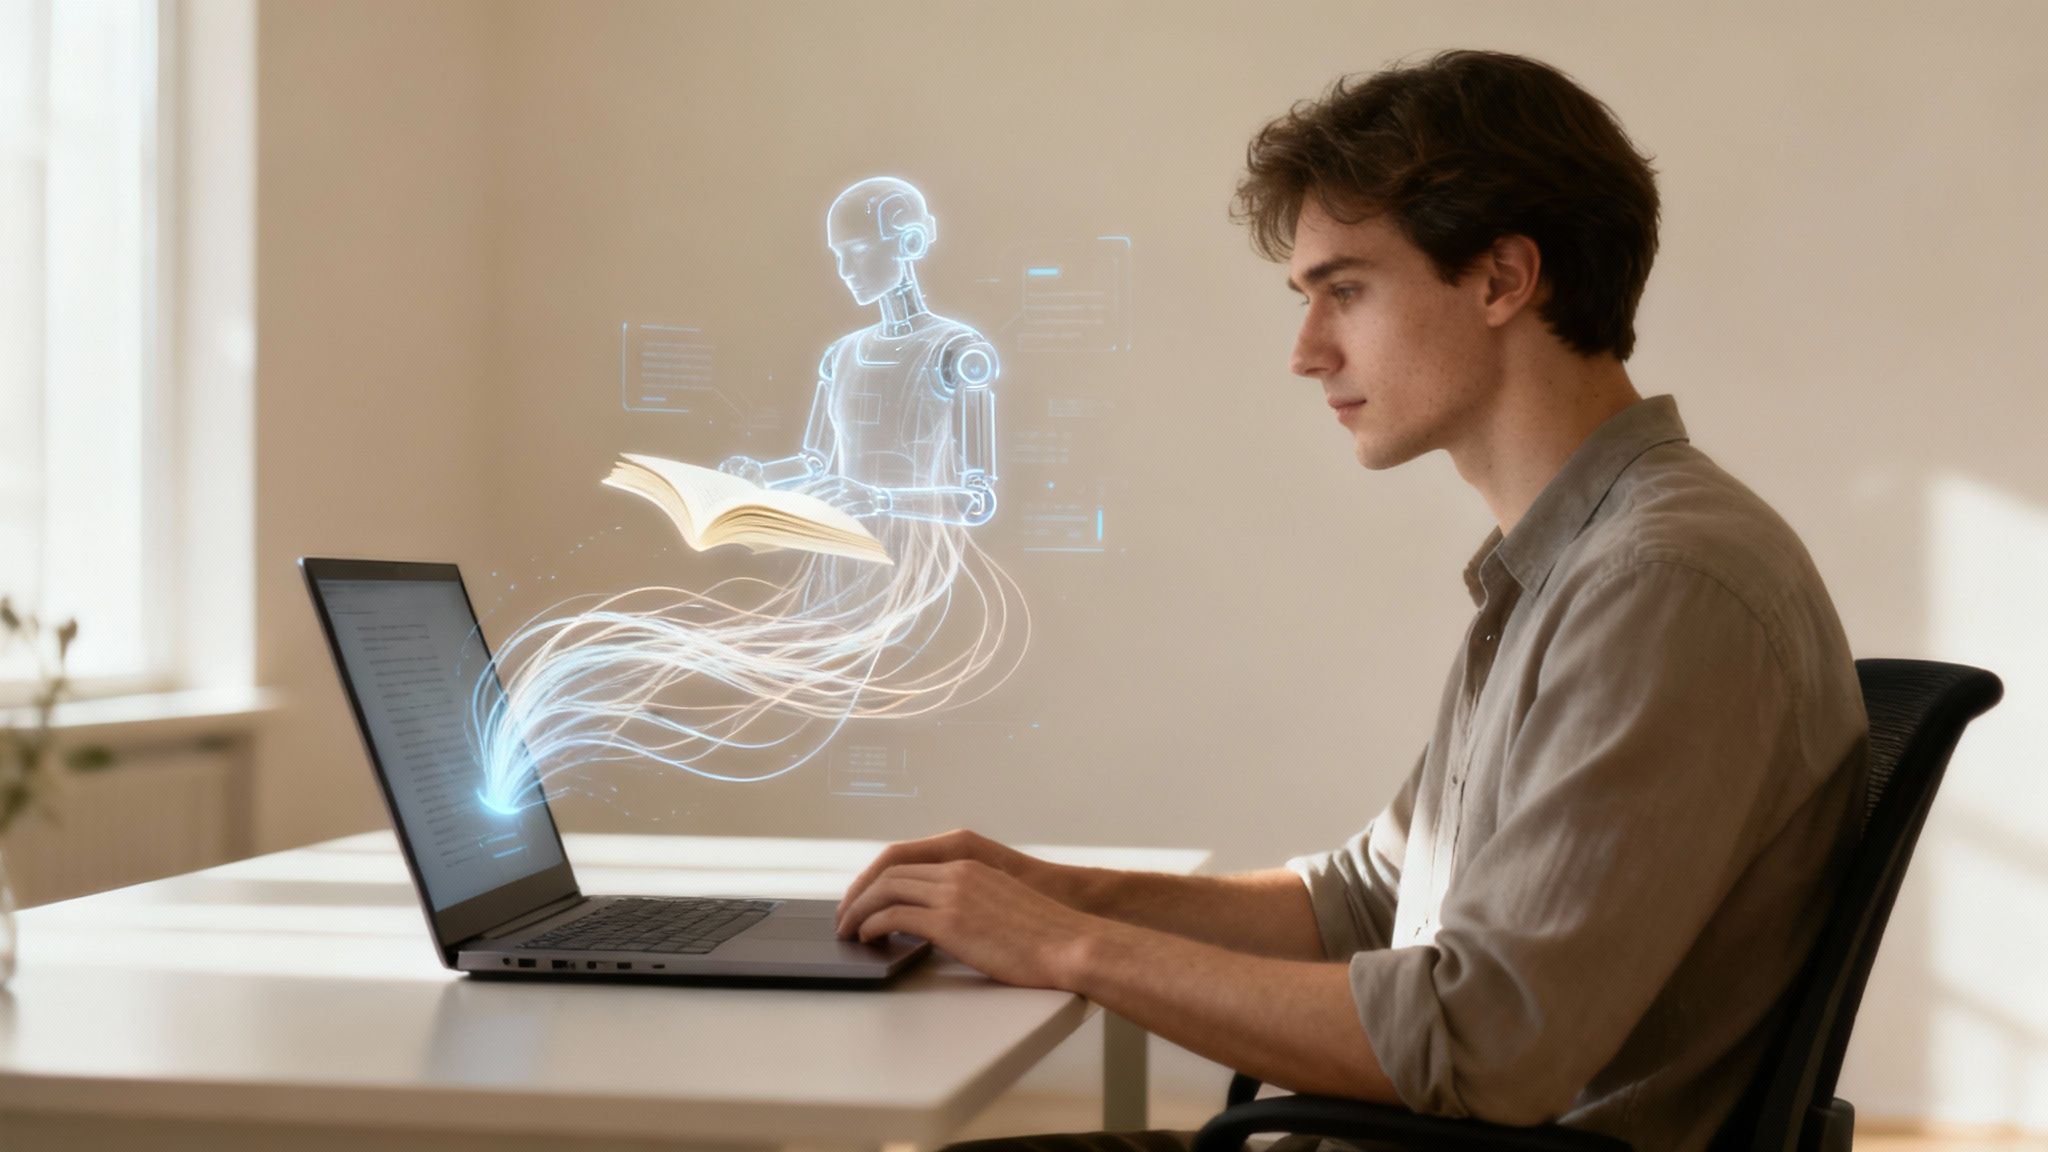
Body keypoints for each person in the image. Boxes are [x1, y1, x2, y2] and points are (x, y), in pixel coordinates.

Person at [833, 49, 1868, 1152]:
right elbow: (1368, 900)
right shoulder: (1575, 560)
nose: (1304, 350)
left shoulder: (1657, 584)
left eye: (1345, 289)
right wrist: (1057, 894)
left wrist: (1062, 949)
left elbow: (1481, 1038)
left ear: (1500, 279)